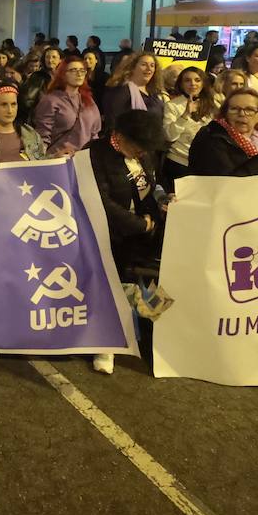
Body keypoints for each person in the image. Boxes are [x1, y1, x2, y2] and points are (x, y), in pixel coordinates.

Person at [85, 109, 168, 376]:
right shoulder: (94, 154)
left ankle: (155, 333)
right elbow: (99, 199)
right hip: (108, 232)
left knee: (143, 287)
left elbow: (152, 186)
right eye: (137, 146)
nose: (142, 152)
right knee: (110, 287)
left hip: (142, 234)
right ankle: (105, 343)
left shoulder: (143, 154)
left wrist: (163, 202)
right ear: (119, 137)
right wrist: (137, 224)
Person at [187, 88, 258, 176]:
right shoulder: (211, 138)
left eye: (249, 110)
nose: (241, 114)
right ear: (225, 113)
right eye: (234, 109)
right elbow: (229, 182)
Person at [33, 58, 102, 155]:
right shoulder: (51, 100)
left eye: (82, 71)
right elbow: (42, 136)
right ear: (63, 74)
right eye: (73, 70)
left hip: (84, 160)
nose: (79, 74)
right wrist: (48, 158)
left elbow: (94, 133)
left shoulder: (88, 100)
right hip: (59, 159)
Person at [161, 67, 216, 183]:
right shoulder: (172, 106)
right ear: (181, 84)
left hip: (205, 163)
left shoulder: (211, 104)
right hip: (179, 162)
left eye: (197, 80)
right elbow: (169, 136)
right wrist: (185, 115)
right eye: (187, 80)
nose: (193, 84)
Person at [100, 52, 162, 126]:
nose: (149, 69)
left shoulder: (154, 93)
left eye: (152, 65)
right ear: (132, 68)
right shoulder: (121, 92)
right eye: (144, 65)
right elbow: (113, 121)